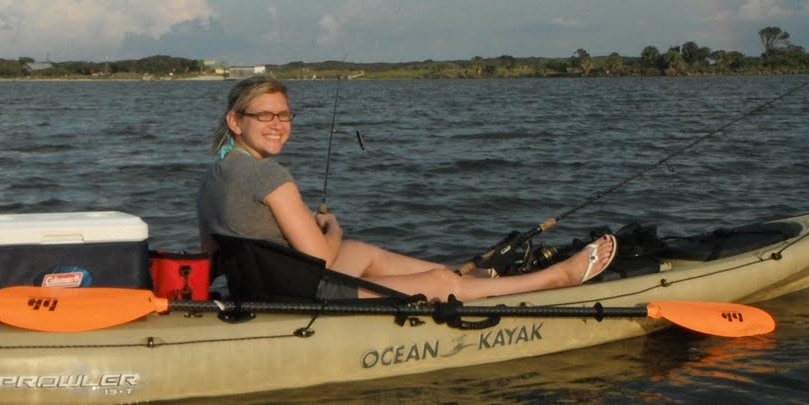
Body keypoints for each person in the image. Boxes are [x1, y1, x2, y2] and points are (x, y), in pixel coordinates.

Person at [196, 76, 616, 301]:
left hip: (260, 288)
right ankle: (555, 278)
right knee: (436, 282)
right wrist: (330, 226)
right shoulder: (271, 177)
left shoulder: (214, 177)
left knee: (364, 253)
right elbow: (321, 259)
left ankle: (481, 275)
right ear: (236, 121)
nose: (278, 125)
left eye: (285, 116)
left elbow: (211, 257)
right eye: (265, 116)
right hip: (300, 294)